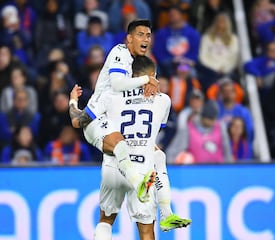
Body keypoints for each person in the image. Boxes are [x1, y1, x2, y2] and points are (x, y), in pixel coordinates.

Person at [69, 35, 191, 228]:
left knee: (105, 221)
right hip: (143, 167)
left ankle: (159, 205)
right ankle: (166, 213)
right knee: (158, 157)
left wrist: (73, 101)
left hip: (114, 165)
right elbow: (154, 133)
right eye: (154, 77)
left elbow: (79, 121)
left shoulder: (111, 95)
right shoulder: (163, 100)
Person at [167, 100, 232, 164]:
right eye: (210, 119)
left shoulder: (220, 128)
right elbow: (174, 150)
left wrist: (229, 168)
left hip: (218, 169)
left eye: (214, 119)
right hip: (196, 171)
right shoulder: (189, 128)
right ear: (203, 116)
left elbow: (227, 151)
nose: (212, 122)